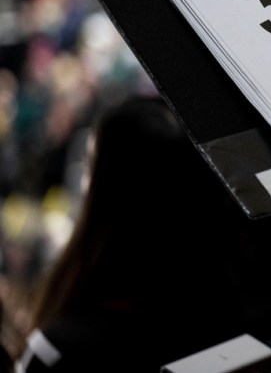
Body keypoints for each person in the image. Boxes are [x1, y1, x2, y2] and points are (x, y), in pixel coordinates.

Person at [14, 95, 253, 371]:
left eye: (90, 167)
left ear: (105, 198)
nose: (82, 182)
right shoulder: (232, 329)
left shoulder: (57, 352)